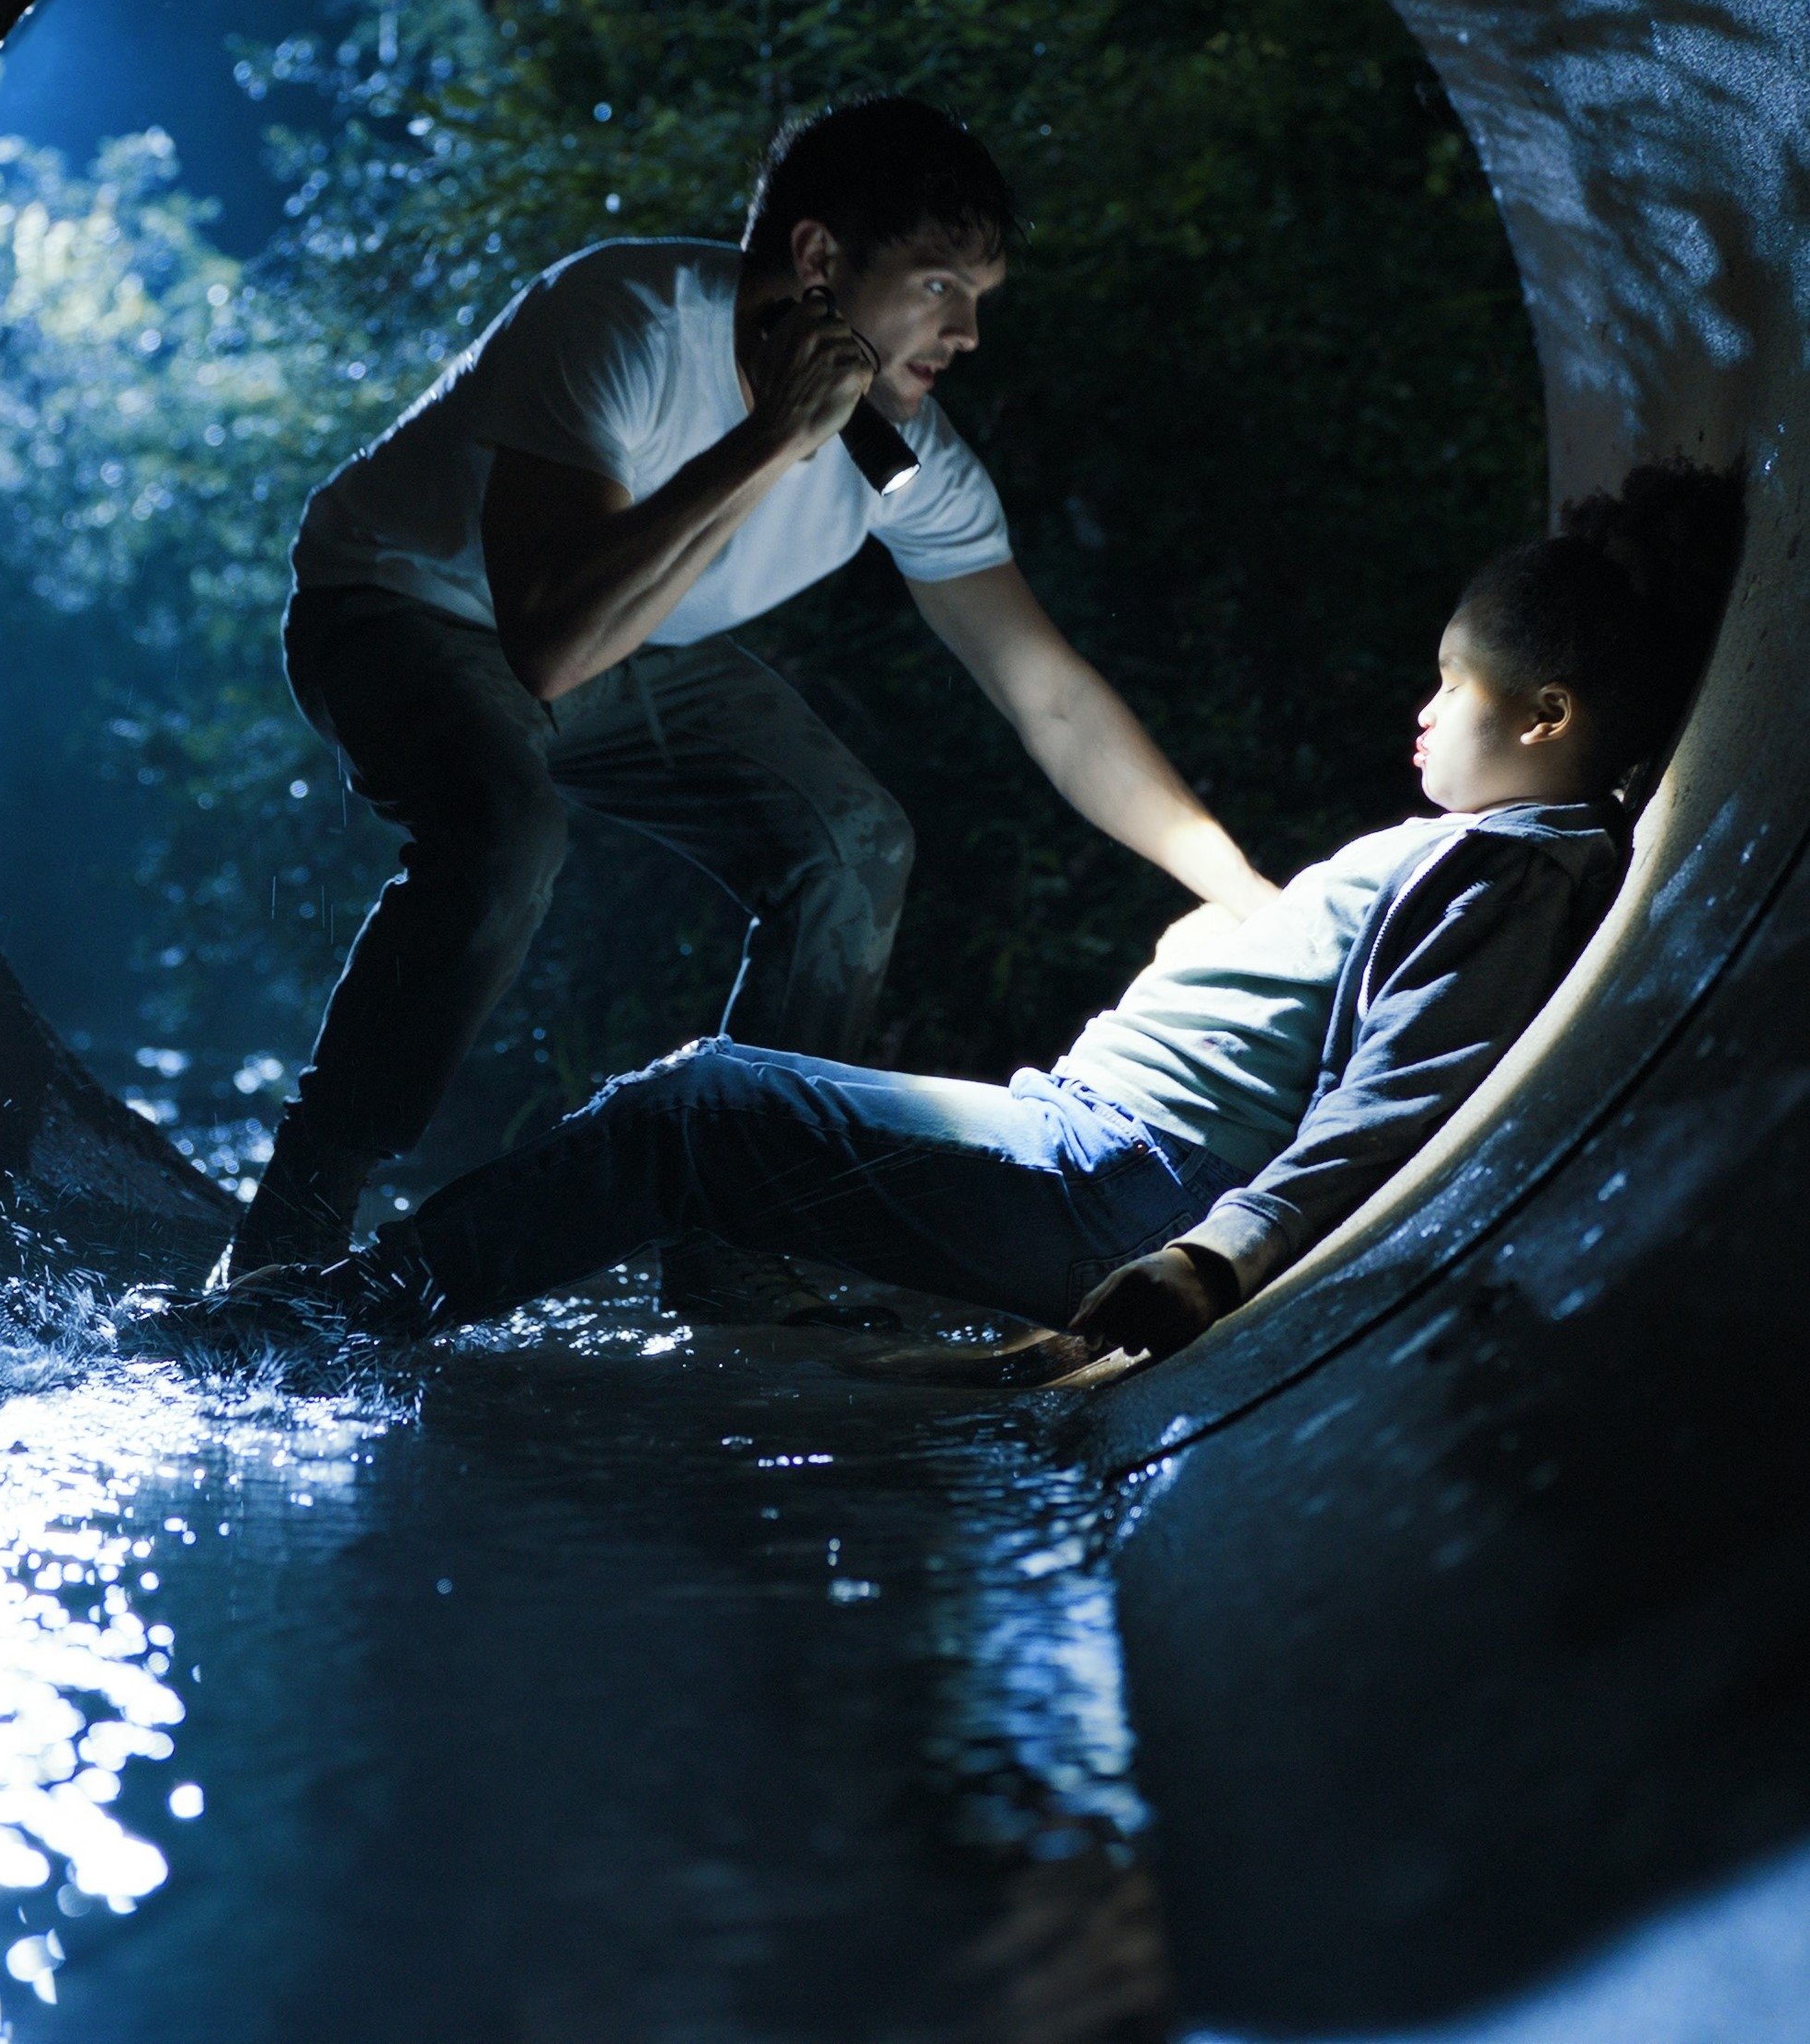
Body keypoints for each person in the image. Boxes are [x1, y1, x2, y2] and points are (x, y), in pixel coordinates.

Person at [182, 458, 1740, 1360]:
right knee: (706, 1119)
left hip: (1118, 1178)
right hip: (1088, 1143)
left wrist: (1216, 1259)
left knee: (699, 1108)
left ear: (1544, 714)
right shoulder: (1480, 844)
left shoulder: (1518, 860)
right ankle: (363, 1303)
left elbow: (1405, 1090)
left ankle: (334, 1320)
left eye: (1452, 685)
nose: (1423, 711)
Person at [234, 95, 1274, 1309]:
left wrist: (1243, 893)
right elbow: (552, 642)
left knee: (853, 842)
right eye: (940, 286)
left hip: (625, 645)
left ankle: (737, 1226)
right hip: (395, 606)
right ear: (819, 258)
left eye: (981, 296)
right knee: (506, 833)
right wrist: (775, 437)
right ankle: (297, 1215)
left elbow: (1051, 699)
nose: (967, 332)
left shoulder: (913, 464)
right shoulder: (624, 318)